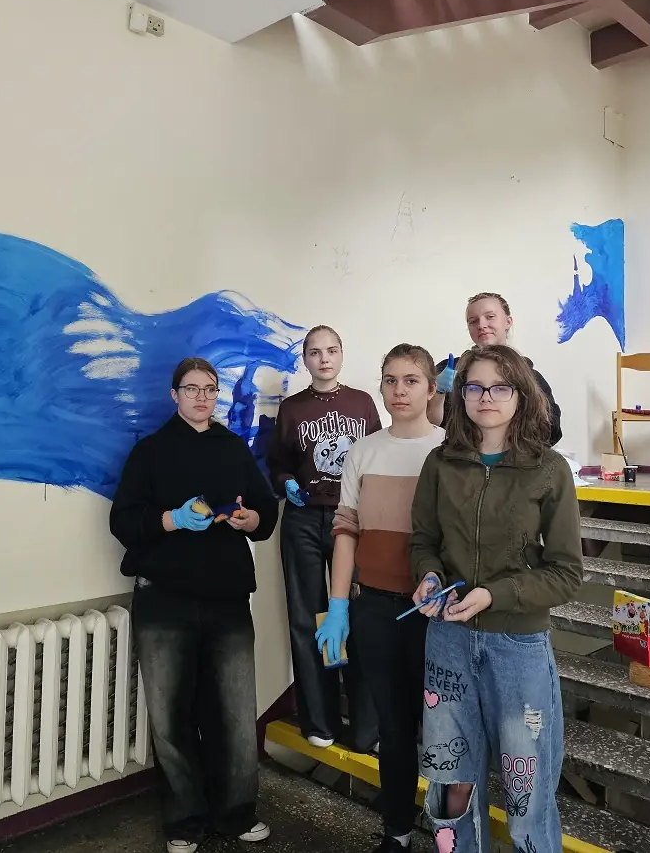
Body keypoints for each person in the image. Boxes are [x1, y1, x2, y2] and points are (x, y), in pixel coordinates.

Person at [410, 344, 583, 853]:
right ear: (460, 395)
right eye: (475, 387)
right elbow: (423, 542)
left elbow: (567, 574)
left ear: (520, 396)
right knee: (451, 787)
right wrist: (428, 577)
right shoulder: (439, 463)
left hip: (517, 648)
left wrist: (496, 594)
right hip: (448, 642)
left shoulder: (549, 469)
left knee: (527, 799)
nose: (486, 397)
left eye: (500, 387)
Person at [109, 357, 279, 853]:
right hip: (164, 599)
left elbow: (265, 512)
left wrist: (250, 520)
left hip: (227, 599)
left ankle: (236, 813)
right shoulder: (150, 451)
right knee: (170, 716)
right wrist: (172, 520)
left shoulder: (233, 448)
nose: (202, 397)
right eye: (192, 389)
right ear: (174, 394)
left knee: (235, 713)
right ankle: (184, 820)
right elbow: (123, 521)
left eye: (210, 389)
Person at [315, 344, 445, 852]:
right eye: (390, 380)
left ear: (431, 389)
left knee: (444, 731)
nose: (399, 390)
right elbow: (346, 531)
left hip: (436, 613)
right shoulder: (363, 451)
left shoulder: (448, 450)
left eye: (411, 380)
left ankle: (452, 834)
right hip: (374, 609)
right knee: (393, 731)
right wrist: (339, 605)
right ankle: (396, 833)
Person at [267, 326, 381, 751]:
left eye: (331, 350)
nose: (324, 359)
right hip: (303, 519)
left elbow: (377, 456)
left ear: (342, 354)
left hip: (350, 517)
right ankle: (320, 719)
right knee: (307, 616)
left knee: (357, 615)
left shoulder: (363, 403)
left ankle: (367, 728)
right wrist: (285, 482)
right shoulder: (292, 408)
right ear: (305, 360)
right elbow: (277, 462)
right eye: (315, 352)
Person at [428, 292, 562, 446]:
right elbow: (427, 425)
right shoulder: (448, 371)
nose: (481, 325)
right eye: (473, 321)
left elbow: (552, 431)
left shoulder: (532, 377)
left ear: (508, 321)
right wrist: (435, 392)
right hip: (460, 458)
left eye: (490, 317)